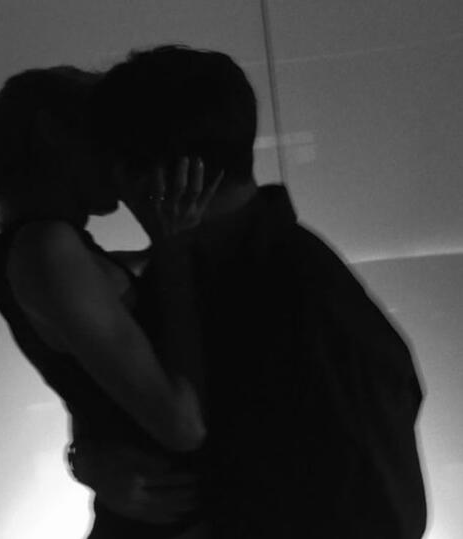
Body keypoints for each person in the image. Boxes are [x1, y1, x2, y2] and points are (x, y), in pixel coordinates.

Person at [73, 45, 428, 538]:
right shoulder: (204, 275)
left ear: (163, 174)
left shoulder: (301, 300)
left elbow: (380, 515)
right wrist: (91, 460)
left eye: (120, 166)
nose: (116, 192)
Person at [0, 66, 221, 538]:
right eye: (107, 136)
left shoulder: (49, 250)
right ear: (55, 133)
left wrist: (84, 457)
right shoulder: (47, 248)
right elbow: (182, 425)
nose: (122, 155)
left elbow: (98, 377)